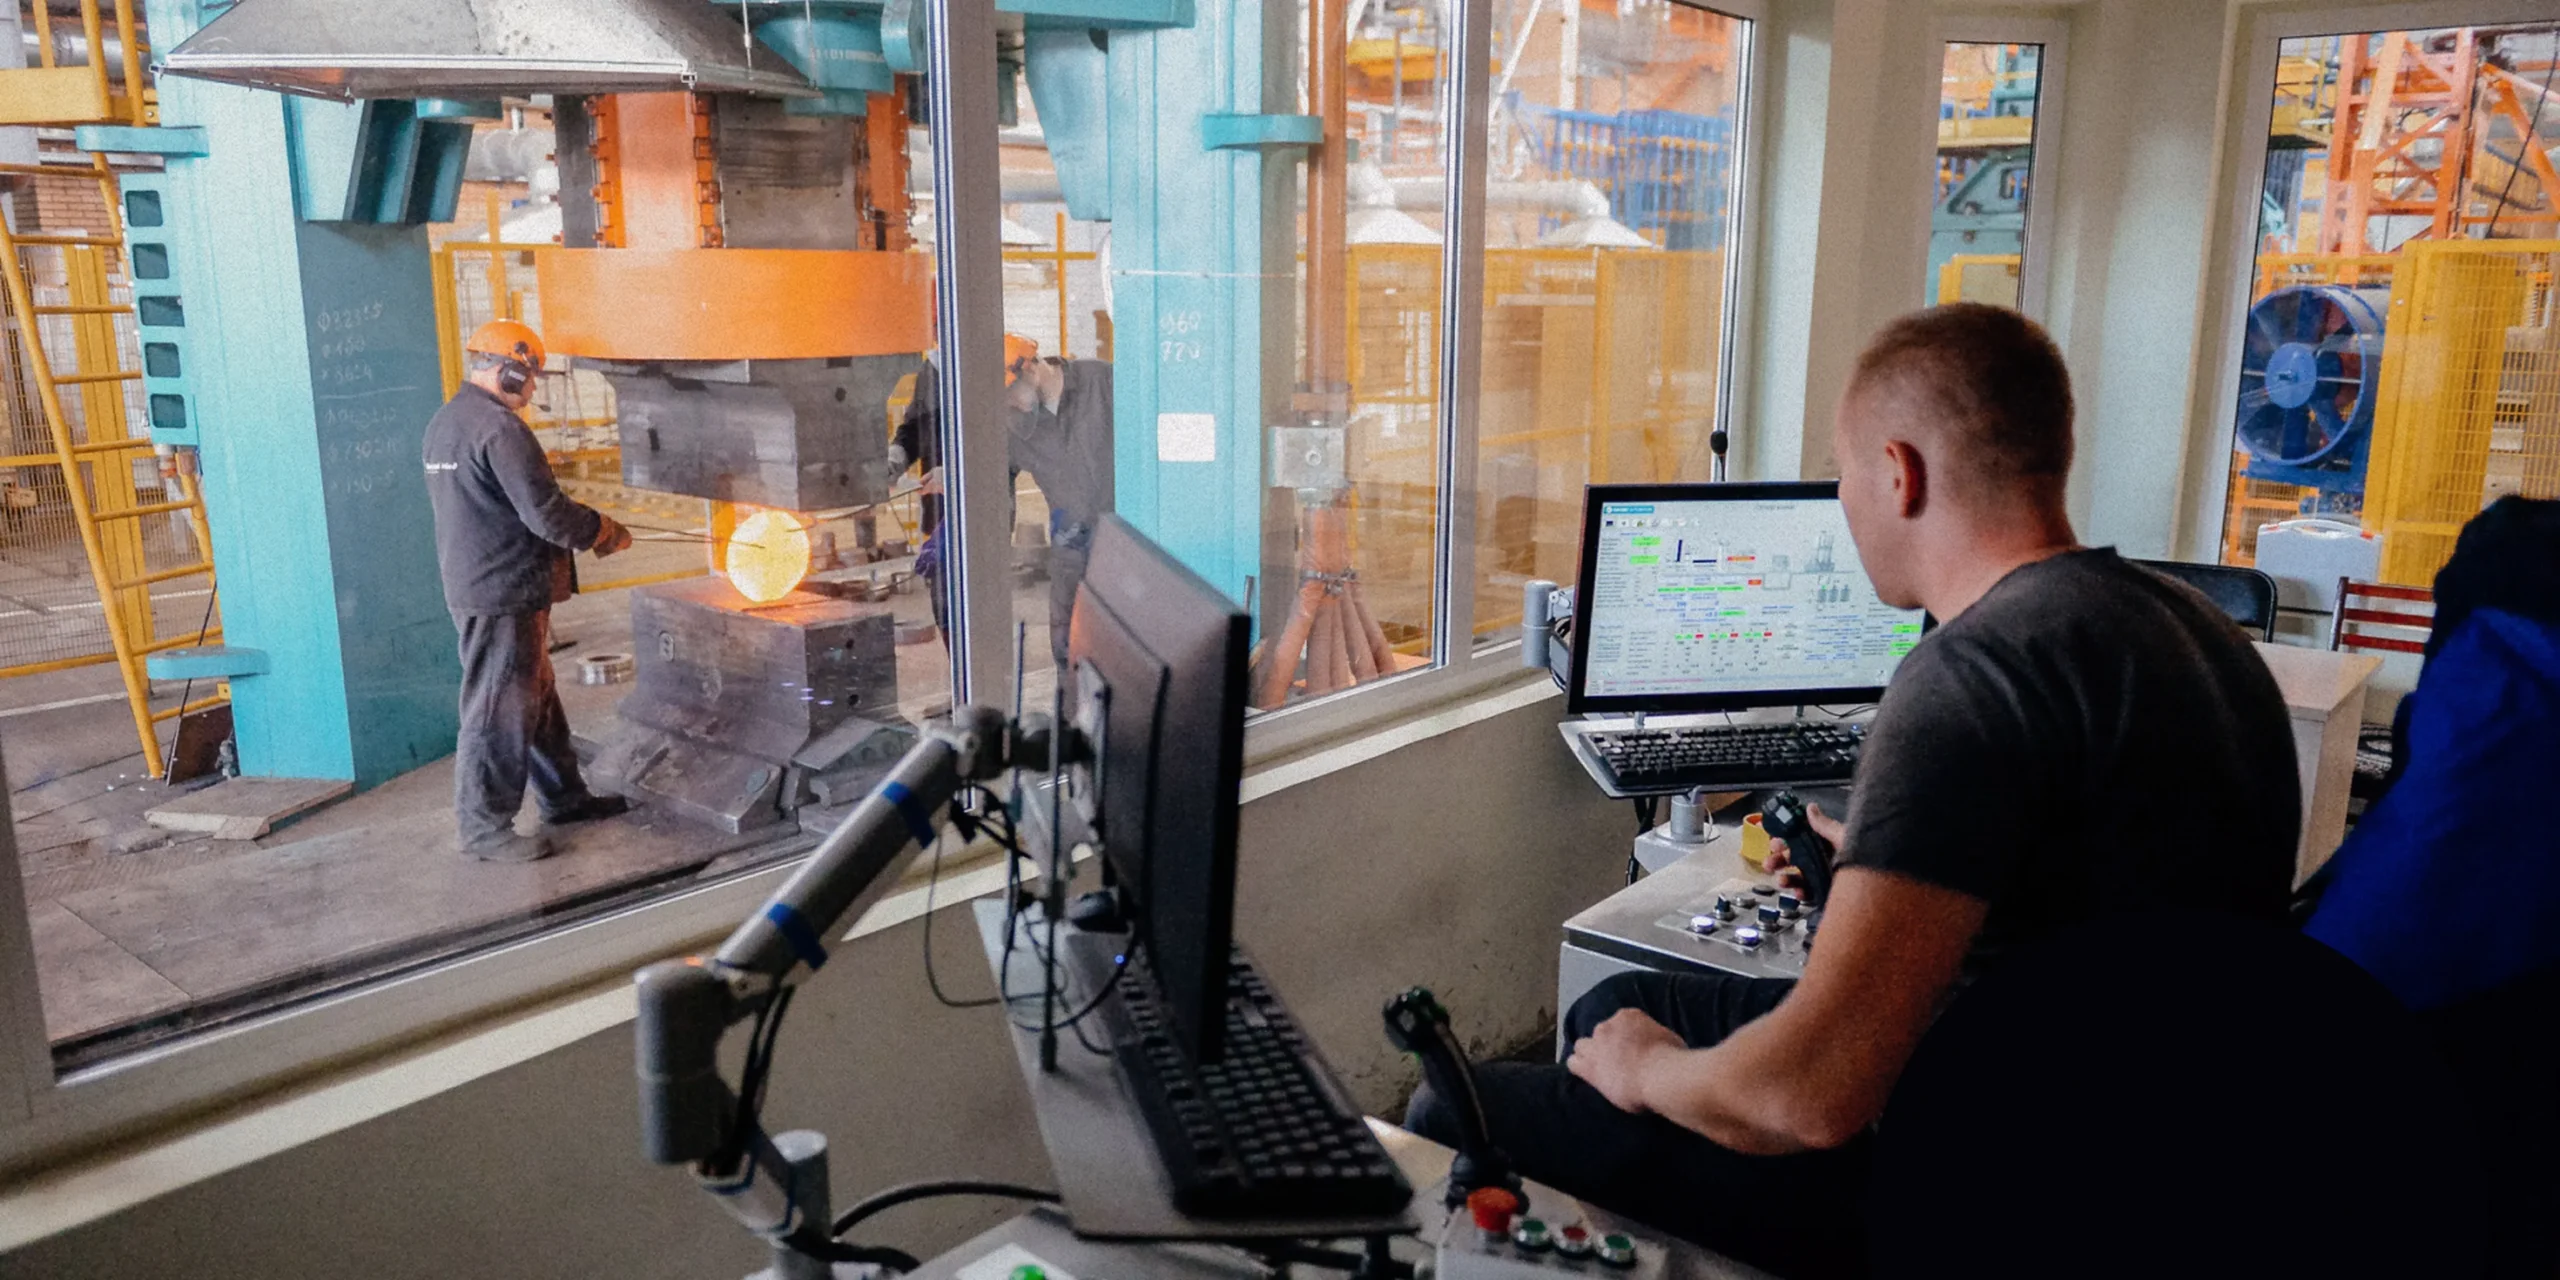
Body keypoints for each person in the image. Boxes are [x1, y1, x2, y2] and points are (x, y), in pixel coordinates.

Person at [1407, 304, 2301, 1277]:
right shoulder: (2193, 628)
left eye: (1842, 471)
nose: (1841, 497)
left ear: (1898, 471)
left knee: (1455, 1108)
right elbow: (2090, 882)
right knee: (1614, 1003)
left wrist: (1653, 1073)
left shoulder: (1969, 676)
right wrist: (1869, 871)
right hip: (2172, 1146)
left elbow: (1812, 1096)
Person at [423, 320, 636, 863]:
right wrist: (602, 531)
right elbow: (546, 514)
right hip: (503, 589)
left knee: (535, 697)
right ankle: (483, 827)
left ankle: (564, 798)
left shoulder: (447, 421)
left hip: (480, 581)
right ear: (509, 370)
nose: (533, 387)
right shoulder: (500, 430)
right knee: (498, 707)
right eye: (530, 376)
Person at [1004, 350, 1114, 668]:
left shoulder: (1100, 382)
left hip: (1124, 548)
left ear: (1030, 368)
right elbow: (990, 488)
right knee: (1069, 653)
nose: (1011, 406)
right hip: (1071, 555)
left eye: (1011, 395)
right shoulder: (1017, 427)